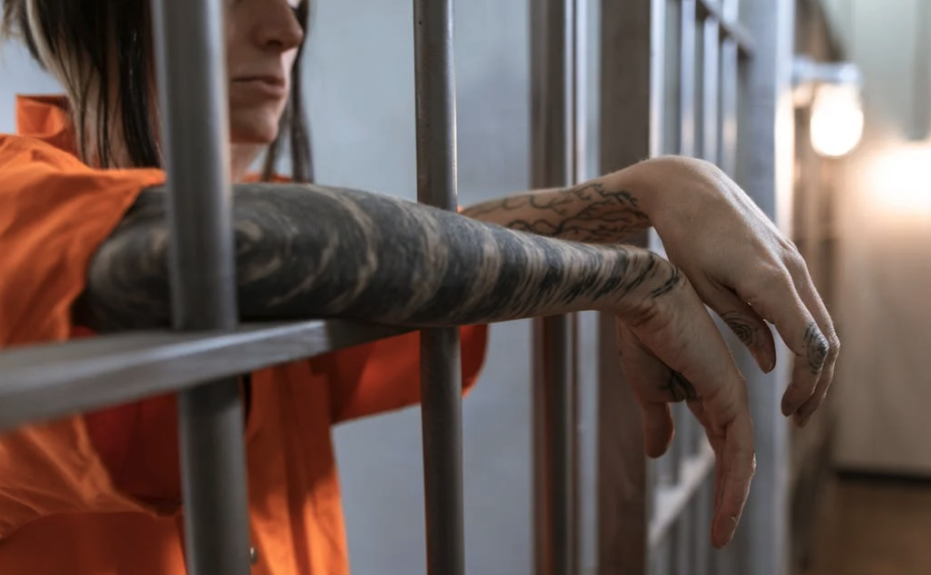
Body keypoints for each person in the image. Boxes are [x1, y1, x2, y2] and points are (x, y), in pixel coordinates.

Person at [0, 0, 839, 573]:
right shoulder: (16, 204)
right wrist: (628, 271)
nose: (289, 25)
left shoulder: (289, 223)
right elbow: (217, 253)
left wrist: (654, 190)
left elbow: (402, 262)